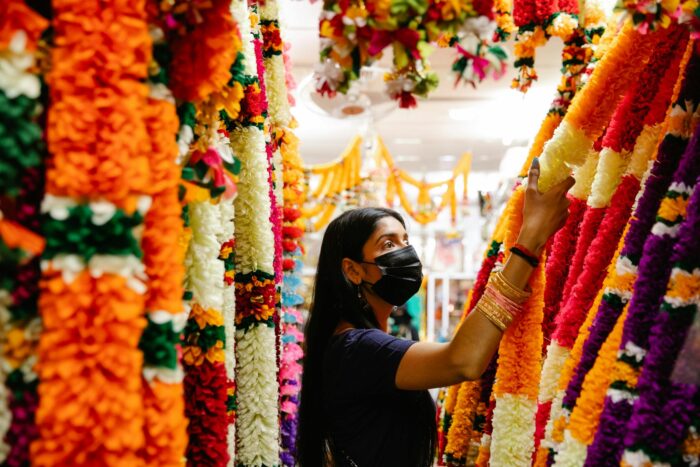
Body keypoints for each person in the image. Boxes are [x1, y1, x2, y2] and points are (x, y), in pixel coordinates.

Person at [297, 159, 574, 466]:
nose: (406, 253)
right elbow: (462, 360)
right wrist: (529, 243)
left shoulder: (357, 342)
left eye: (406, 241)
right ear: (353, 270)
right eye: (388, 244)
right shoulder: (357, 348)